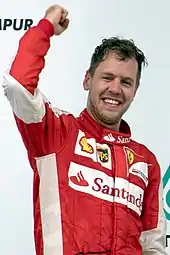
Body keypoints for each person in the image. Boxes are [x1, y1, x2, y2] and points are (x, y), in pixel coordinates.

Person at [2, 4, 167, 255]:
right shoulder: (55, 133)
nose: (115, 89)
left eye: (126, 82)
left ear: (134, 91)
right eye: (107, 77)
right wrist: (46, 27)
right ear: (87, 80)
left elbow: (153, 247)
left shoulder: (146, 162)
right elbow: (17, 84)